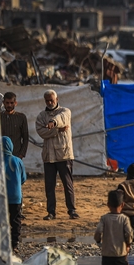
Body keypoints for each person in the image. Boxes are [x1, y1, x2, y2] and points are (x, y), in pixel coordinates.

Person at [35, 90, 79, 220]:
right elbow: (41, 131)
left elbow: (62, 119)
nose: (49, 102)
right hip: (49, 155)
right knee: (49, 185)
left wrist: (53, 123)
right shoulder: (41, 116)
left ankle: (72, 210)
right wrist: (57, 130)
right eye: (47, 100)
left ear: (57, 99)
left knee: (67, 184)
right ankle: (51, 212)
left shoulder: (65, 111)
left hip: (64, 154)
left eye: (51, 100)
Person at [94, 190, 133, 265]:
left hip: (107, 253)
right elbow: (129, 233)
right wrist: (128, 244)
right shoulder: (124, 219)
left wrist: (98, 240)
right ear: (123, 205)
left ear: (108, 205)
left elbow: (98, 231)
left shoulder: (104, 218)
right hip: (121, 252)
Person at [2, 137, 27, 250]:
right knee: (15, 220)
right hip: (16, 196)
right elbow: (23, 178)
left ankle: (3, 242)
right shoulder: (17, 161)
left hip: (1, 197)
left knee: (2, 220)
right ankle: (14, 244)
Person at [0, 92, 29, 159]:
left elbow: (25, 138)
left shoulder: (21, 117)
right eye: (7, 103)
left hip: (16, 155)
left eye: (11, 103)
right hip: (1, 155)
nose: (9, 105)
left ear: (15, 103)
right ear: (3, 102)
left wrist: (21, 154)